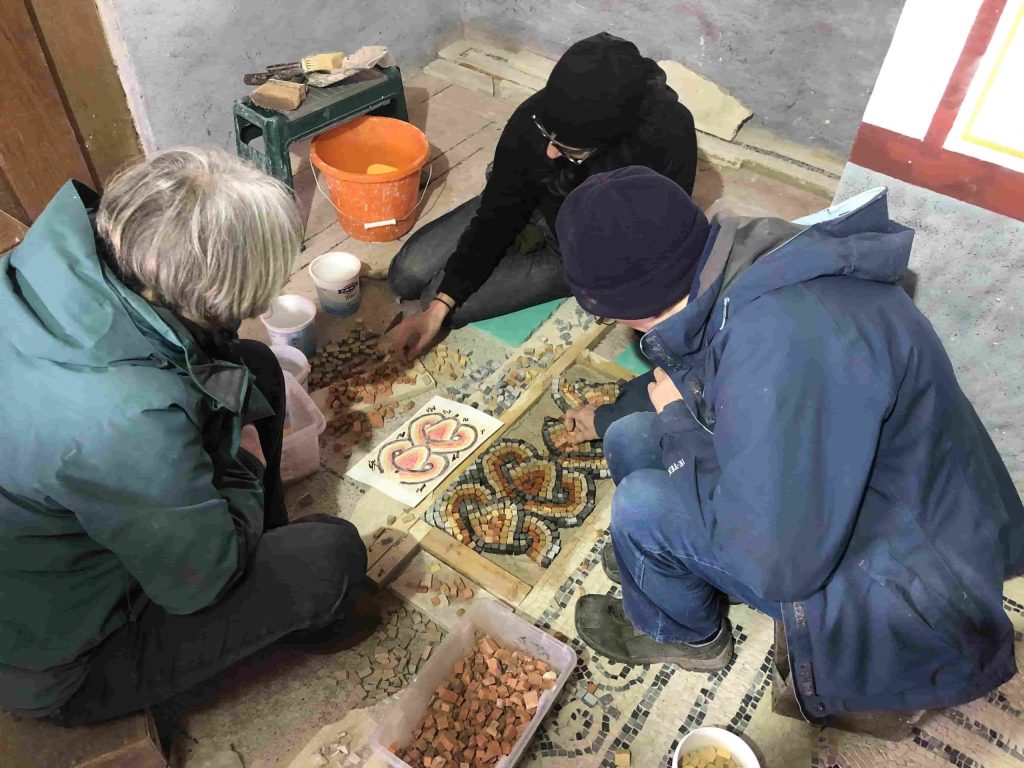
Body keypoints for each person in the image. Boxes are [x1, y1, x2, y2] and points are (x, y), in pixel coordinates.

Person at [557, 166, 1024, 715]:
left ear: (615, 310)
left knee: (640, 507)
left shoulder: (781, 350)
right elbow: (700, 370)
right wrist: (628, 413)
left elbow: (778, 564)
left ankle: (686, 638)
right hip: (881, 508)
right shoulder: (750, 266)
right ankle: (678, 573)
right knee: (633, 433)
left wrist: (682, 430)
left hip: (899, 584)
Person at [0, 148, 375, 726]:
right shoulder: (122, 421)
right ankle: (287, 612)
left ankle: (257, 544)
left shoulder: (50, 264)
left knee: (255, 363)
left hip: (54, 551)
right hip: (63, 660)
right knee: (330, 556)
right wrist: (238, 472)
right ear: (207, 297)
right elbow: (195, 585)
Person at [387, 32, 698, 361]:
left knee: (435, 300)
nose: (549, 150)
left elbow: (654, 245)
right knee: (407, 275)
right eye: (549, 136)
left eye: (568, 149)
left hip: (579, 247)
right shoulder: (539, 119)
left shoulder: (665, 139)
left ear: (610, 142)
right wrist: (441, 305)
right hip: (535, 202)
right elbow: (499, 212)